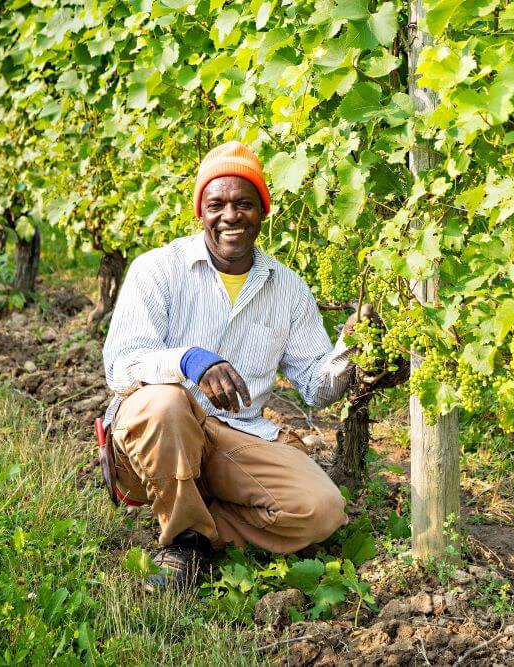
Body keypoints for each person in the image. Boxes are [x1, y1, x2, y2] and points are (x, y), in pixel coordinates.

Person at [101, 141, 368, 590]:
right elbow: (121, 366)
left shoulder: (288, 290)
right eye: (216, 204)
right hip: (153, 436)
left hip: (235, 436)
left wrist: (352, 346)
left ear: (262, 211)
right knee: (165, 402)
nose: (230, 216)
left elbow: (316, 387)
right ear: (200, 212)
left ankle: (205, 530)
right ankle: (181, 540)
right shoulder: (157, 271)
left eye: (244, 204)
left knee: (323, 510)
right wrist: (188, 360)